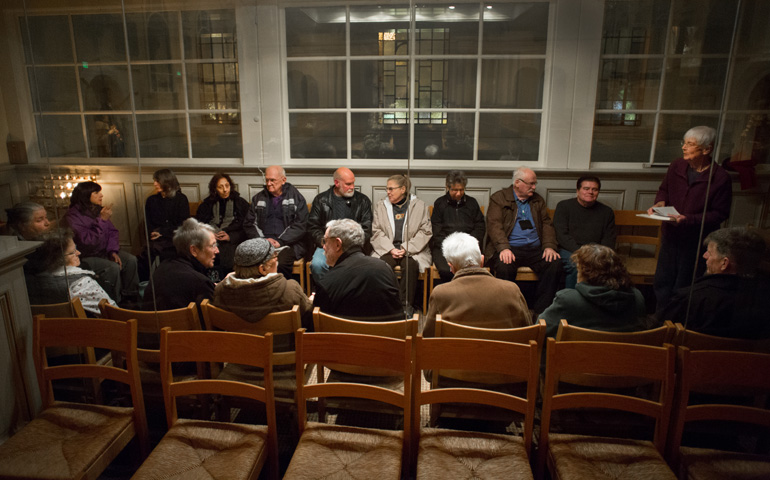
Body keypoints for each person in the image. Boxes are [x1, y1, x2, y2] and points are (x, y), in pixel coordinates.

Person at [648, 126, 732, 314]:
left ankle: (677, 323)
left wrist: (689, 219)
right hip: (670, 235)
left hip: (695, 240)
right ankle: (660, 319)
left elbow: (720, 213)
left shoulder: (719, 178)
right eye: (684, 143)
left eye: (690, 144)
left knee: (684, 284)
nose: (684, 148)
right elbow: (664, 190)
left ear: (707, 149)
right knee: (662, 282)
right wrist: (659, 203)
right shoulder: (677, 166)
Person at [658, 227, 770, 339]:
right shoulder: (764, 297)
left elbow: (657, 333)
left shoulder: (691, 299)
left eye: (710, 253)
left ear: (724, 263)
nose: (704, 256)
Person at [484, 166, 562, 316]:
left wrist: (549, 246)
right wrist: (504, 248)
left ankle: (541, 313)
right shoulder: (499, 198)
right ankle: (506, 312)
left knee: (554, 263)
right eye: (531, 184)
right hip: (510, 247)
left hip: (535, 249)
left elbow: (546, 224)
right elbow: (494, 225)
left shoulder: (537, 200)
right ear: (517, 183)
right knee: (504, 266)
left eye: (534, 184)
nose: (534, 187)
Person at [423, 232, 530, 338]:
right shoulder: (512, 290)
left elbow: (428, 340)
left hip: (457, 354)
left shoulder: (440, 294)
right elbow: (528, 335)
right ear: (482, 261)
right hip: (503, 354)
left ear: (451, 267)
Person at [540, 244, 647, 338]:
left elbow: (539, 331)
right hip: (625, 359)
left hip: (577, 359)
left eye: (578, 269)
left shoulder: (568, 300)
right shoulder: (637, 298)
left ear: (586, 274)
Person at [213, 237, 313, 330]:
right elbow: (309, 320)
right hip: (282, 348)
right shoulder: (291, 290)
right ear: (263, 269)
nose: (277, 259)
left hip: (238, 347)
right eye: (275, 256)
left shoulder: (220, 291)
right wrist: (311, 301)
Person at [63, 181, 139, 303]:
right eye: (96, 192)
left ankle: (131, 298)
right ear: (86, 195)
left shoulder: (98, 211)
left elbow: (113, 232)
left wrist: (113, 251)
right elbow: (88, 242)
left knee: (130, 260)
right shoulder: (73, 217)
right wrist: (102, 221)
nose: (101, 195)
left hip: (104, 251)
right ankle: (114, 302)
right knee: (112, 267)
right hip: (86, 255)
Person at [315, 219, 402, 320]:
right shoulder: (385, 268)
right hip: (386, 335)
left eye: (325, 241)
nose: (324, 247)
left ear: (338, 244)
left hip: (346, 335)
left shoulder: (327, 283)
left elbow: (317, 328)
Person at [371, 174, 432, 314]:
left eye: (391, 189)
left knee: (410, 266)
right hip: (387, 248)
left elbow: (425, 232)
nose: (388, 192)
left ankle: (406, 305)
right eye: (387, 189)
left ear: (403, 189)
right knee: (382, 266)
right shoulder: (381, 206)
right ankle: (386, 304)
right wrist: (391, 248)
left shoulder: (419, 206)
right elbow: (376, 231)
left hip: (413, 250)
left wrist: (406, 248)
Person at [26, 230, 116, 315]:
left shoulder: (30, 282)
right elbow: (113, 312)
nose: (79, 253)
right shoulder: (81, 284)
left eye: (76, 248)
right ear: (57, 258)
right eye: (72, 252)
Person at [307, 167, 372, 282]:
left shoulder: (363, 201)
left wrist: (352, 245)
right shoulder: (321, 200)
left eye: (353, 183)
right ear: (336, 183)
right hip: (327, 244)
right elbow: (313, 226)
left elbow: (366, 229)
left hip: (353, 247)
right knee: (317, 265)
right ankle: (326, 294)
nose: (352, 187)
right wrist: (325, 242)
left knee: (358, 268)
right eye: (348, 184)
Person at [244, 165, 309, 280]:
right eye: (267, 180)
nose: (268, 184)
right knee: (252, 261)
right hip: (262, 242)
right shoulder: (258, 198)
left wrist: (280, 242)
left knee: (282, 263)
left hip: (288, 244)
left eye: (272, 180)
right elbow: (249, 224)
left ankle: (282, 291)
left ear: (283, 180)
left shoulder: (296, 198)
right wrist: (263, 240)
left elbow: (300, 225)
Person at [553, 175, 616, 289]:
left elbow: (609, 239)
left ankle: (595, 303)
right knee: (576, 267)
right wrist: (583, 253)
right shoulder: (564, 207)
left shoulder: (607, 212)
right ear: (578, 191)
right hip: (569, 250)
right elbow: (562, 236)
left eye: (594, 189)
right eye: (586, 189)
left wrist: (596, 255)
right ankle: (571, 302)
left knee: (605, 266)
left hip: (596, 252)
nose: (590, 192)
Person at [146, 218, 217, 310]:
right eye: (213, 245)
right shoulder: (200, 283)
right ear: (194, 250)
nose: (217, 251)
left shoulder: (162, 266)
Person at [430, 171, 485, 283]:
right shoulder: (440, 203)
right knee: (447, 271)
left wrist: (468, 243)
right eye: (455, 190)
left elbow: (480, 226)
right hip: (445, 247)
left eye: (461, 190)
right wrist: (451, 246)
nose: (459, 193)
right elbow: (437, 230)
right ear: (447, 188)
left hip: (468, 246)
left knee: (471, 271)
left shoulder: (472, 203)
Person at [196, 172, 250, 278]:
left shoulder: (240, 203)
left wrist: (230, 237)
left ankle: (229, 282)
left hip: (233, 241)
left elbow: (247, 228)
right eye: (220, 187)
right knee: (209, 250)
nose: (225, 190)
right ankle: (213, 284)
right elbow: (199, 226)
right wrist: (211, 234)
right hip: (211, 239)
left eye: (227, 186)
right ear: (215, 189)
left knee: (229, 254)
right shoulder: (207, 205)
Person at [144, 169, 190, 262]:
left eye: (157, 181)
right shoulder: (151, 200)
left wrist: (162, 233)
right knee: (145, 255)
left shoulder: (181, 199)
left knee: (171, 253)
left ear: (167, 182)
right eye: (155, 181)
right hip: (156, 239)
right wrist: (153, 233)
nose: (155, 184)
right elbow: (148, 223)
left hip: (175, 237)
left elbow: (183, 225)